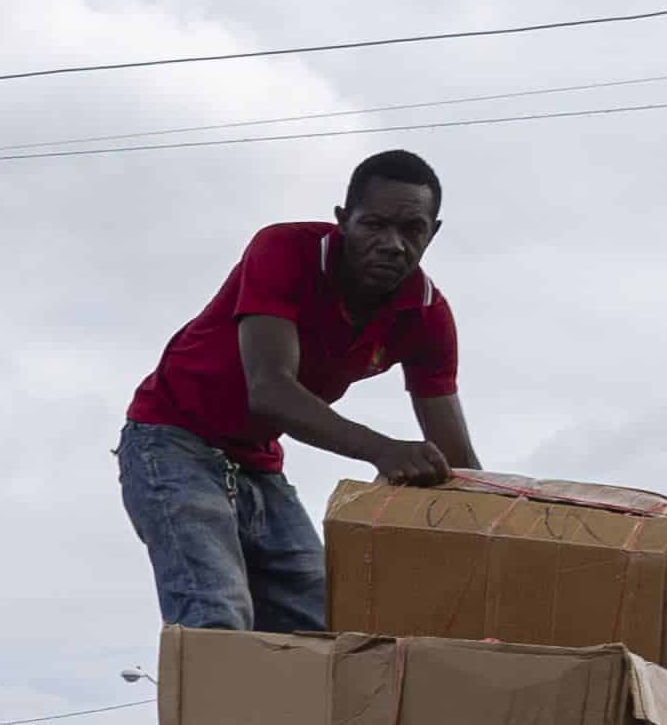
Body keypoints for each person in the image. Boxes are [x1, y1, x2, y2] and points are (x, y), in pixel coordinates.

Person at [118, 149, 479, 634]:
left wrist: (506, 522)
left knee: (325, 630)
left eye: (412, 230)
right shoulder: (285, 250)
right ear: (343, 222)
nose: (393, 244)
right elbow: (269, 390)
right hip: (171, 441)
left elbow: (458, 459)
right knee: (217, 615)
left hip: (256, 464)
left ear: (432, 233)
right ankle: (208, 706)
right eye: (374, 225)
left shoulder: (427, 314)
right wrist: (383, 450)